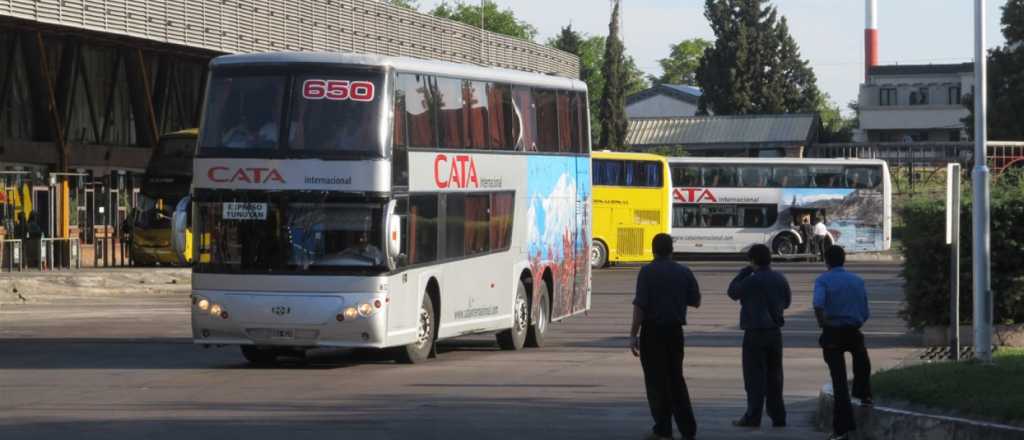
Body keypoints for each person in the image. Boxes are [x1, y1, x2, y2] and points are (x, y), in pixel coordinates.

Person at [630, 233, 701, 440]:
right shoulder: (684, 271)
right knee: (676, 379)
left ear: (653, 250)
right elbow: (696, 301)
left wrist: (633, 335)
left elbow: (640, 307)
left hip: (652, 333)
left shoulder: (647, 272)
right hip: (674, 333)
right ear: (672, 250)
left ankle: (663, 428)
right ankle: (688, 429)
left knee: (655, 382)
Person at [727, 244, 791, 429]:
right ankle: (778, 417)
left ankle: (753, 417)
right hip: (774, 333)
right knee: (775, 376)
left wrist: (743, 273)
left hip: (754, 333)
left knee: (754, 378)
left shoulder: (750, 280)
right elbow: (786, 302)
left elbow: (732, 292)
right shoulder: (780, 278)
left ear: (753, 260)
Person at [814, 246, 873, 440]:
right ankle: (864, 394)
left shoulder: (823, 280)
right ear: (844, 260)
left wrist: (823, 323)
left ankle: (842, 430)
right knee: (862, 361)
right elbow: (865, 310)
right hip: (853, 330)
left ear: (826, 261)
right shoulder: (857, 280)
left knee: (839, 381)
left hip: (832, 332)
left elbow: (818, 304)